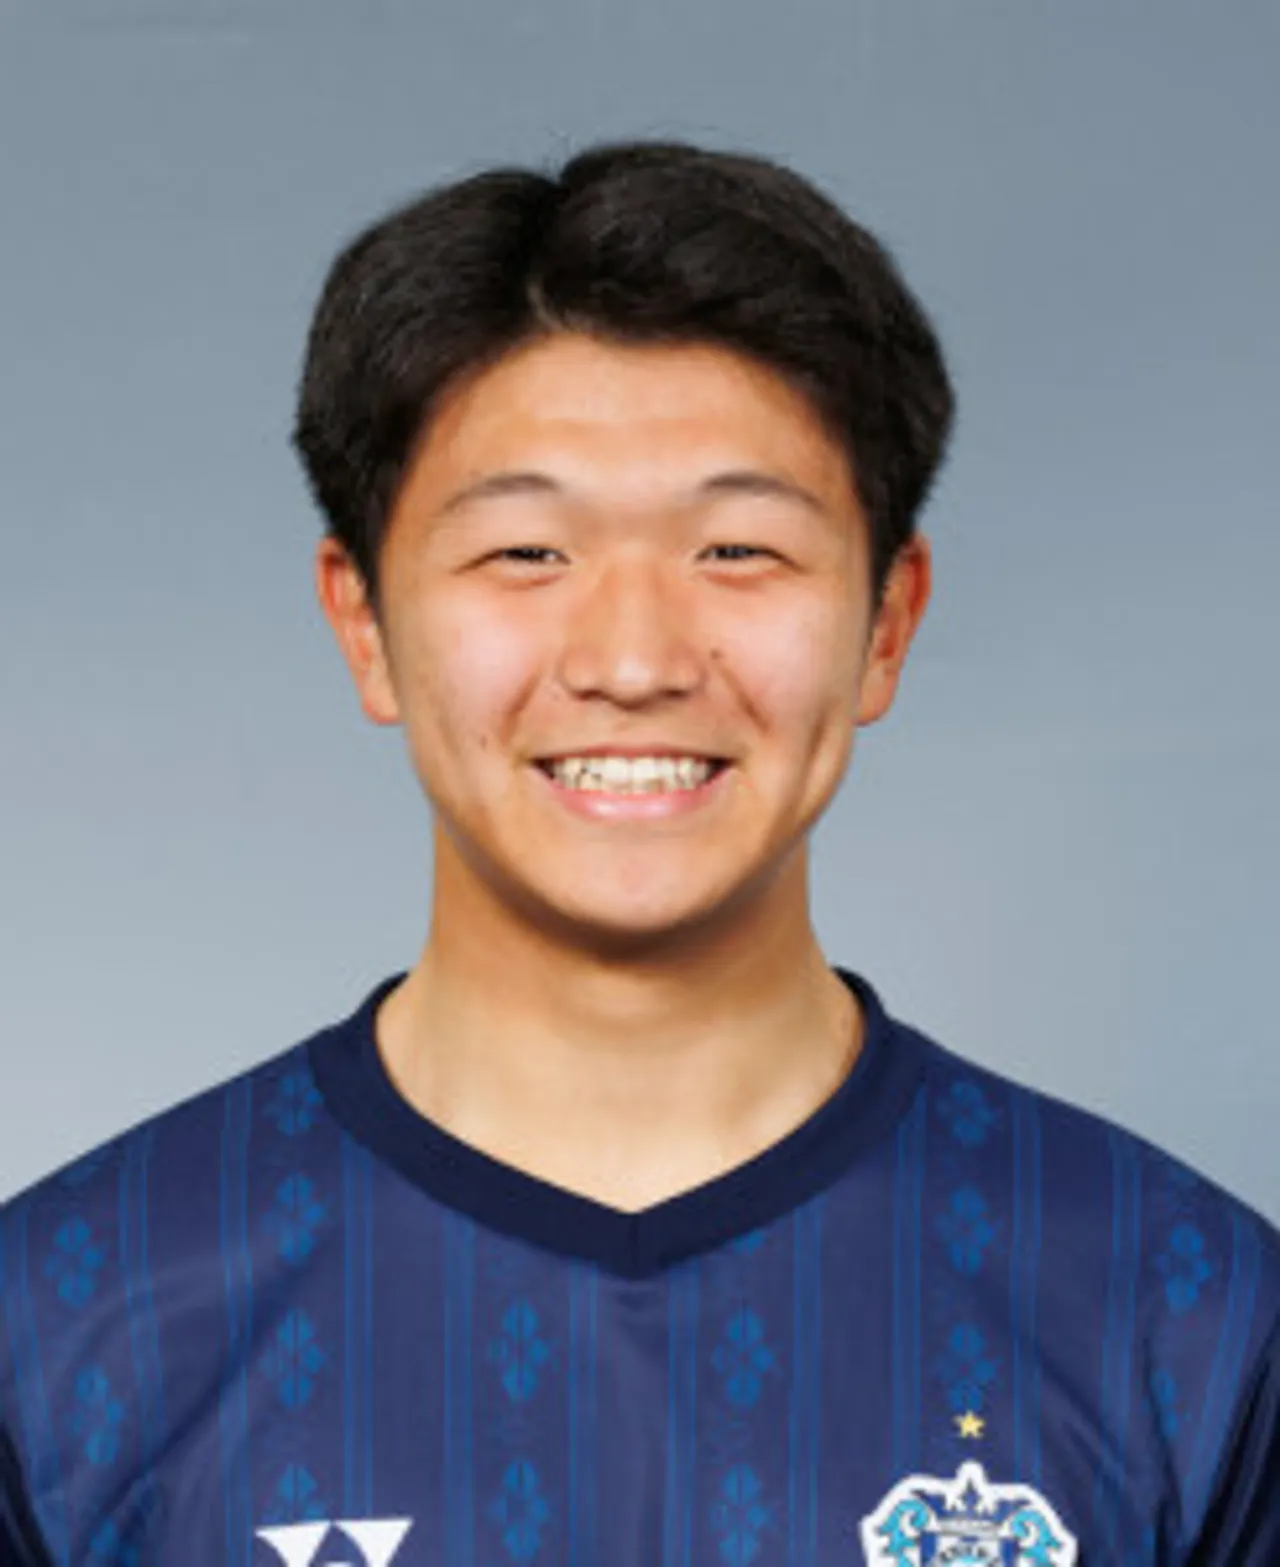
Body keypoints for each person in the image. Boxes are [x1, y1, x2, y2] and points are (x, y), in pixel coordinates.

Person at [1, 138, 1275, 1567]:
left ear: (887, 623)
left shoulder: (1188, 1314)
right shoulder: (63, 1324)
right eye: (526, 554)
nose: (632, 660)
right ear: (363, 623)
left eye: (737, 551)